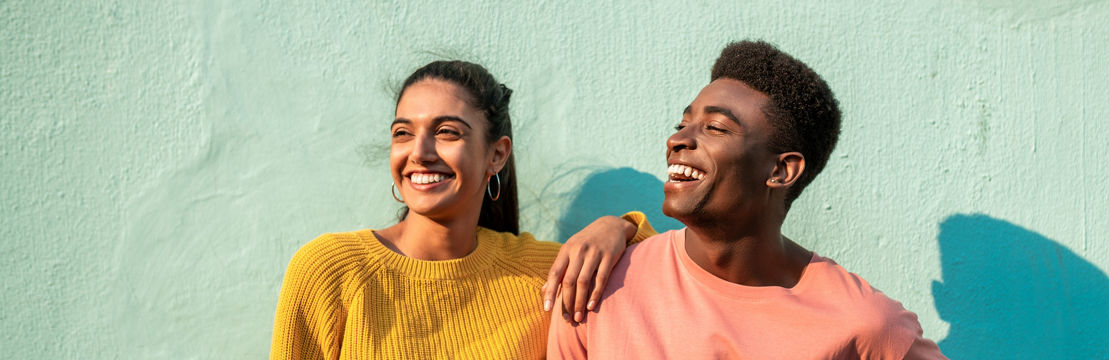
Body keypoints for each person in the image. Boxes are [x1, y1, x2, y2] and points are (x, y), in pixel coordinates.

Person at [548, 41, 947, 359]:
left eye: (716, 128)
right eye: (682, 124)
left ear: (781, 171)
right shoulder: (597, 285)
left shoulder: (864, 324)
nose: (678, 141)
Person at [270, 60, 657, 359]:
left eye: (446, 132)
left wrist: (620, 227)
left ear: (497, 154)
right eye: (403, 133)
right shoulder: (329, 270)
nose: (419, 153)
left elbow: (673, 277)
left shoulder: (543, 276)